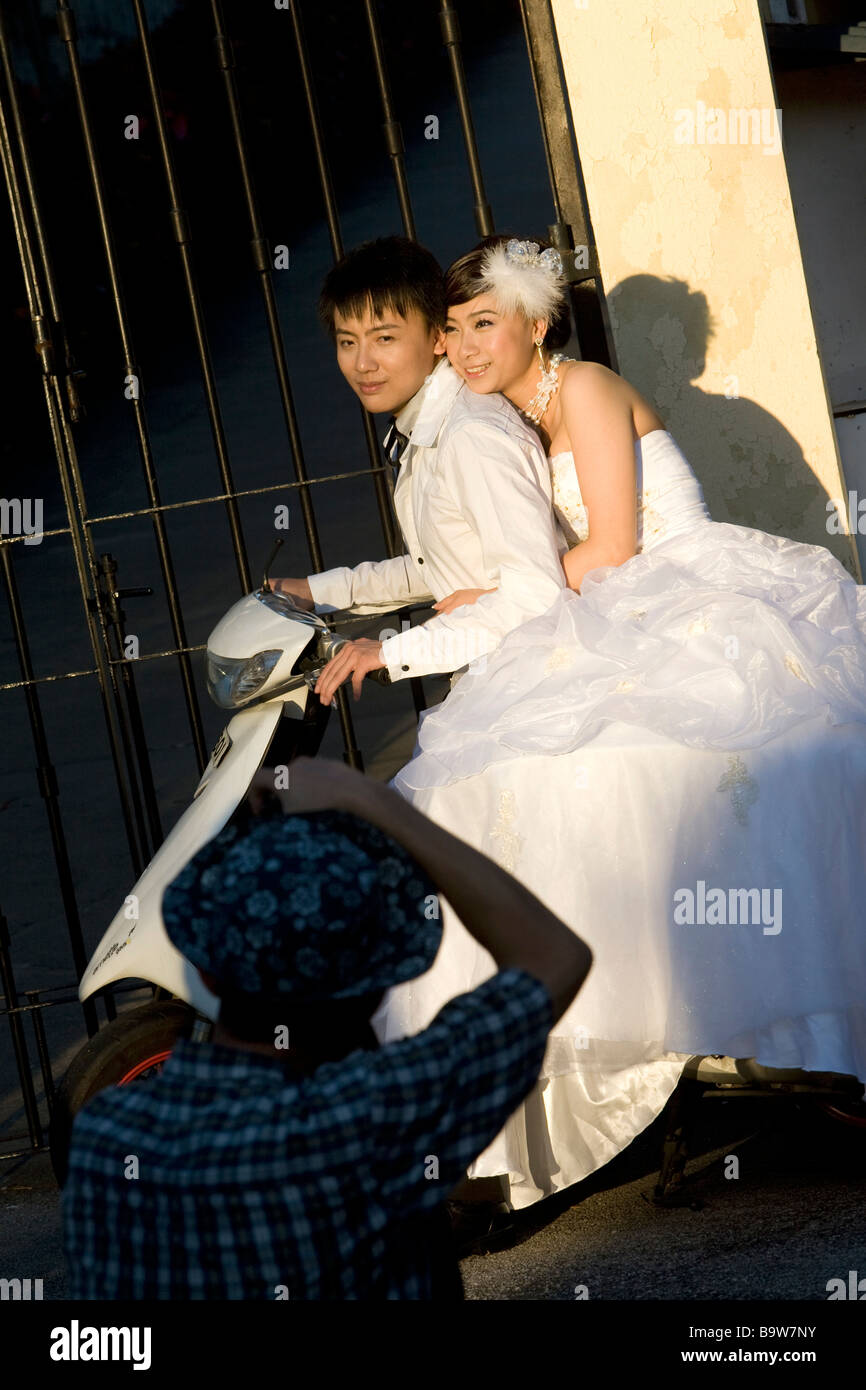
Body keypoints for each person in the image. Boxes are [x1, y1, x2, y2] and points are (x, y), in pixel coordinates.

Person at [371, 235, 866, 1211]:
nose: (464, 348)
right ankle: (490, 1102)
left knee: (619, 771)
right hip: (601, 619)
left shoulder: (585, 389)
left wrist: (500, 591)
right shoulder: (491, 422)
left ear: (536, 323)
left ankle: (730, 1034)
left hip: (670, 602)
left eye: (485, 324)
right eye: (452, 330)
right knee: (470, 780)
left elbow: (612, 546)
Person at [61, 756, 592, 1300]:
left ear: (204, 971)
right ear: (381, 984)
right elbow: (554, 955)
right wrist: (375, 803)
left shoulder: (106, 1137)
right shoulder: (373, 1114)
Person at [270, 234, 569, 699]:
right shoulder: (431, 427)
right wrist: (317, 590)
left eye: (384, 339)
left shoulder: (470, 437)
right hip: (498, 675)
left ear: (437, 337)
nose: (362, 363)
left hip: (537, 684)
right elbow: (449, 563)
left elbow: (536, 595)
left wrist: (390, 652)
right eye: (347, 342)